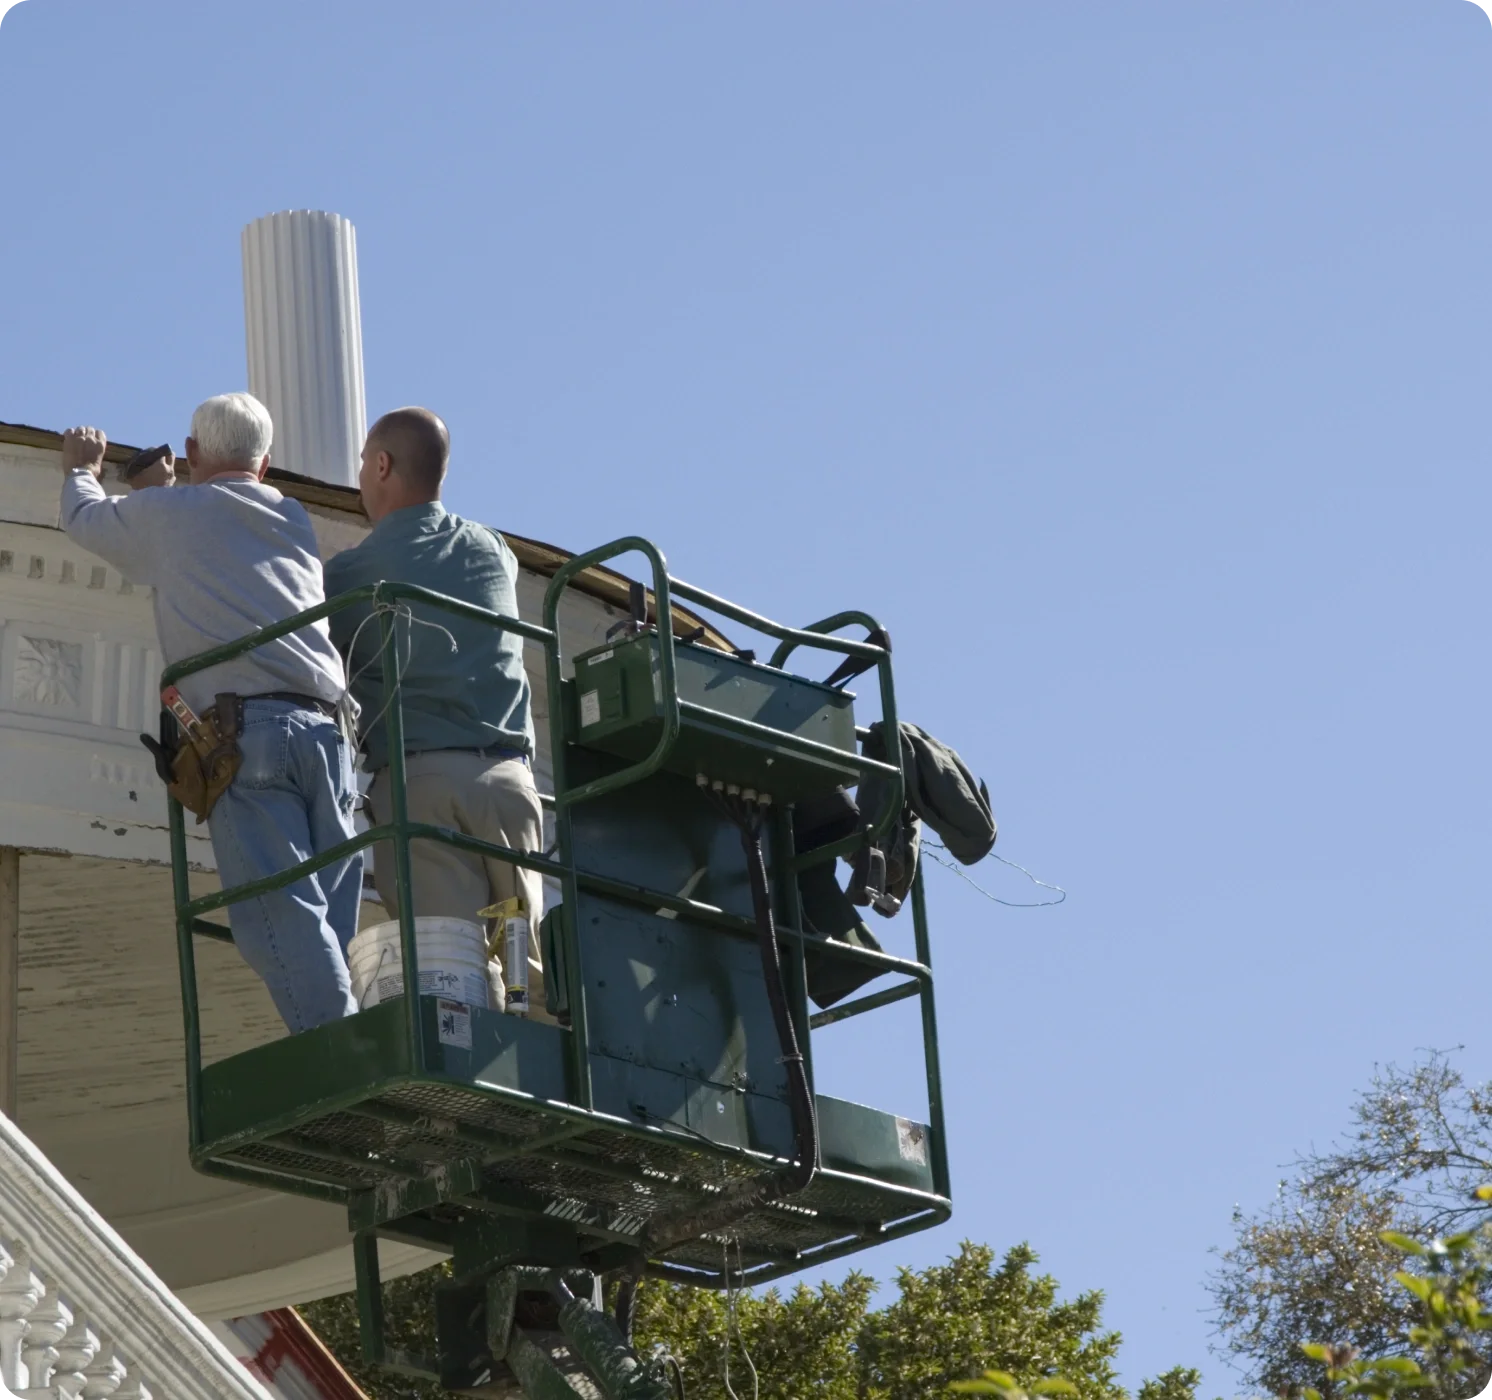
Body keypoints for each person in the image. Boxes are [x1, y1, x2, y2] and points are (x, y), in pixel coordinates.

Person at [58, 395, 362, 1033]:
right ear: (267, 463)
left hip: (248, 739)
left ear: (193, 452)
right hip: (327, 737)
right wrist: (170, 496)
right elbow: (222, 532)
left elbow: (87, 520)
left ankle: (342, 1051)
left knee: (280, 917)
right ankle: (352, 1031)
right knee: (331, 914)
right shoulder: (293, 518)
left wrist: (81, 468)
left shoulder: (173, 515)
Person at [323, 407, 545, 989]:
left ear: (381, 464)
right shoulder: (491, 549)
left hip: (424, 790)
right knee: (521, 959)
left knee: (456, 967)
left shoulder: (350, 576)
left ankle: (478, 1067)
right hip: (508, 790)